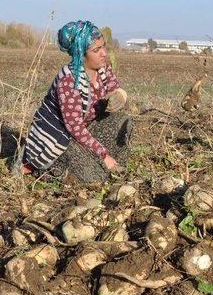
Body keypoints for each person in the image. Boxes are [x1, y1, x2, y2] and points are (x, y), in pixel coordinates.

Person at [16, 20, 130, 181]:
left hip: (86, 130)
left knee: (123, 121)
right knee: (95, 177)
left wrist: (120, 94)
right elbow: (74, 128)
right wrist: (103, 155)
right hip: (58, 140)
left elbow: (113, 86)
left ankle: (110, 165)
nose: (104, 53)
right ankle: (38, 167)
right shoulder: (68, 82)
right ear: (80, 54)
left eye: (103, 46)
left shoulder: (102, 69)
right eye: (96, 50)